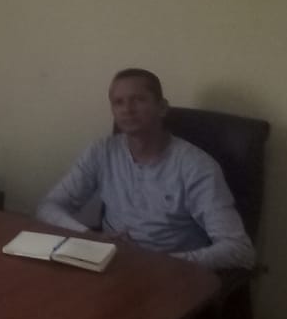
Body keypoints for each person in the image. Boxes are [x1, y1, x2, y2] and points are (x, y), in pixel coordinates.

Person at [36, 68, 255, 272]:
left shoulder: (197, 166)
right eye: (118, 102)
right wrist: (90, 237)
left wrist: (157, 261)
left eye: (138, 100)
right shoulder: (102, 152)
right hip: (112, 265)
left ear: (162, 108)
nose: (127, 110)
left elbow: (239, 250)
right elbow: (49, 207)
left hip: (169, 273)